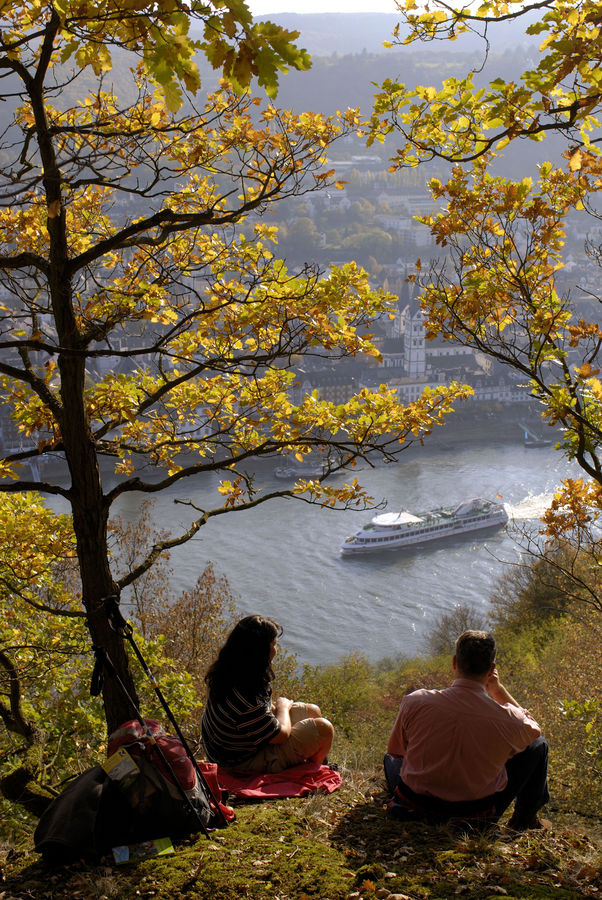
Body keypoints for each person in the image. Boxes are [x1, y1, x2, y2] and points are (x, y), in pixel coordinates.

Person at [384, 630, 549, 830]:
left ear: (455, 663)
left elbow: (396, 751)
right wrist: (497, 690)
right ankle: (524, 819)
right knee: (538, 746)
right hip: (473, 817)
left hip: (414, 805)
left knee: (390, 759)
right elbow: (534, 732)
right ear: (491, 670)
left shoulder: (416, 701)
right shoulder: (509, 720)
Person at [201, 615, 334, 773]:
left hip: (235, 748)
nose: (276, 649)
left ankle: (312, 763)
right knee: (325, 729)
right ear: (259, 651)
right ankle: (313, 770)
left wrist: (277, 709)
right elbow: (282, 735)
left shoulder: (231, 672)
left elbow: (259, 716)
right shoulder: (244, 698)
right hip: (239, 763)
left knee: (312, 711)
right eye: (274, 644)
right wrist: (283, 707)